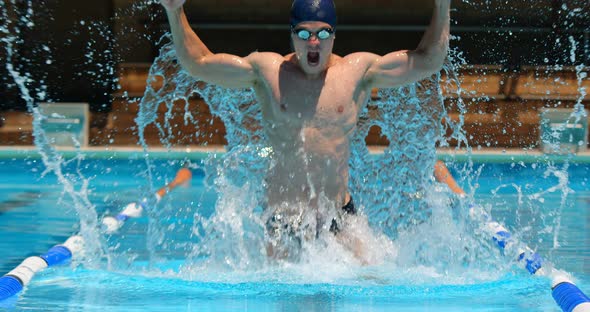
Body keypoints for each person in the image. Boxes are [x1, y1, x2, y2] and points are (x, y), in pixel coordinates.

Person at [159, 0, 451, 260]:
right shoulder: (268, 71)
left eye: (323, 33)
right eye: (304, 33)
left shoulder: (357, 72)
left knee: (376, 282)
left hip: (339, 216)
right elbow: (198, 63)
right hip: (284, 219)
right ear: (291, 34)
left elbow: (429, 60)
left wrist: (442, 5)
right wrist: (175, 10)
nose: (314, 42)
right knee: (280, 292)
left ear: (334, 35)